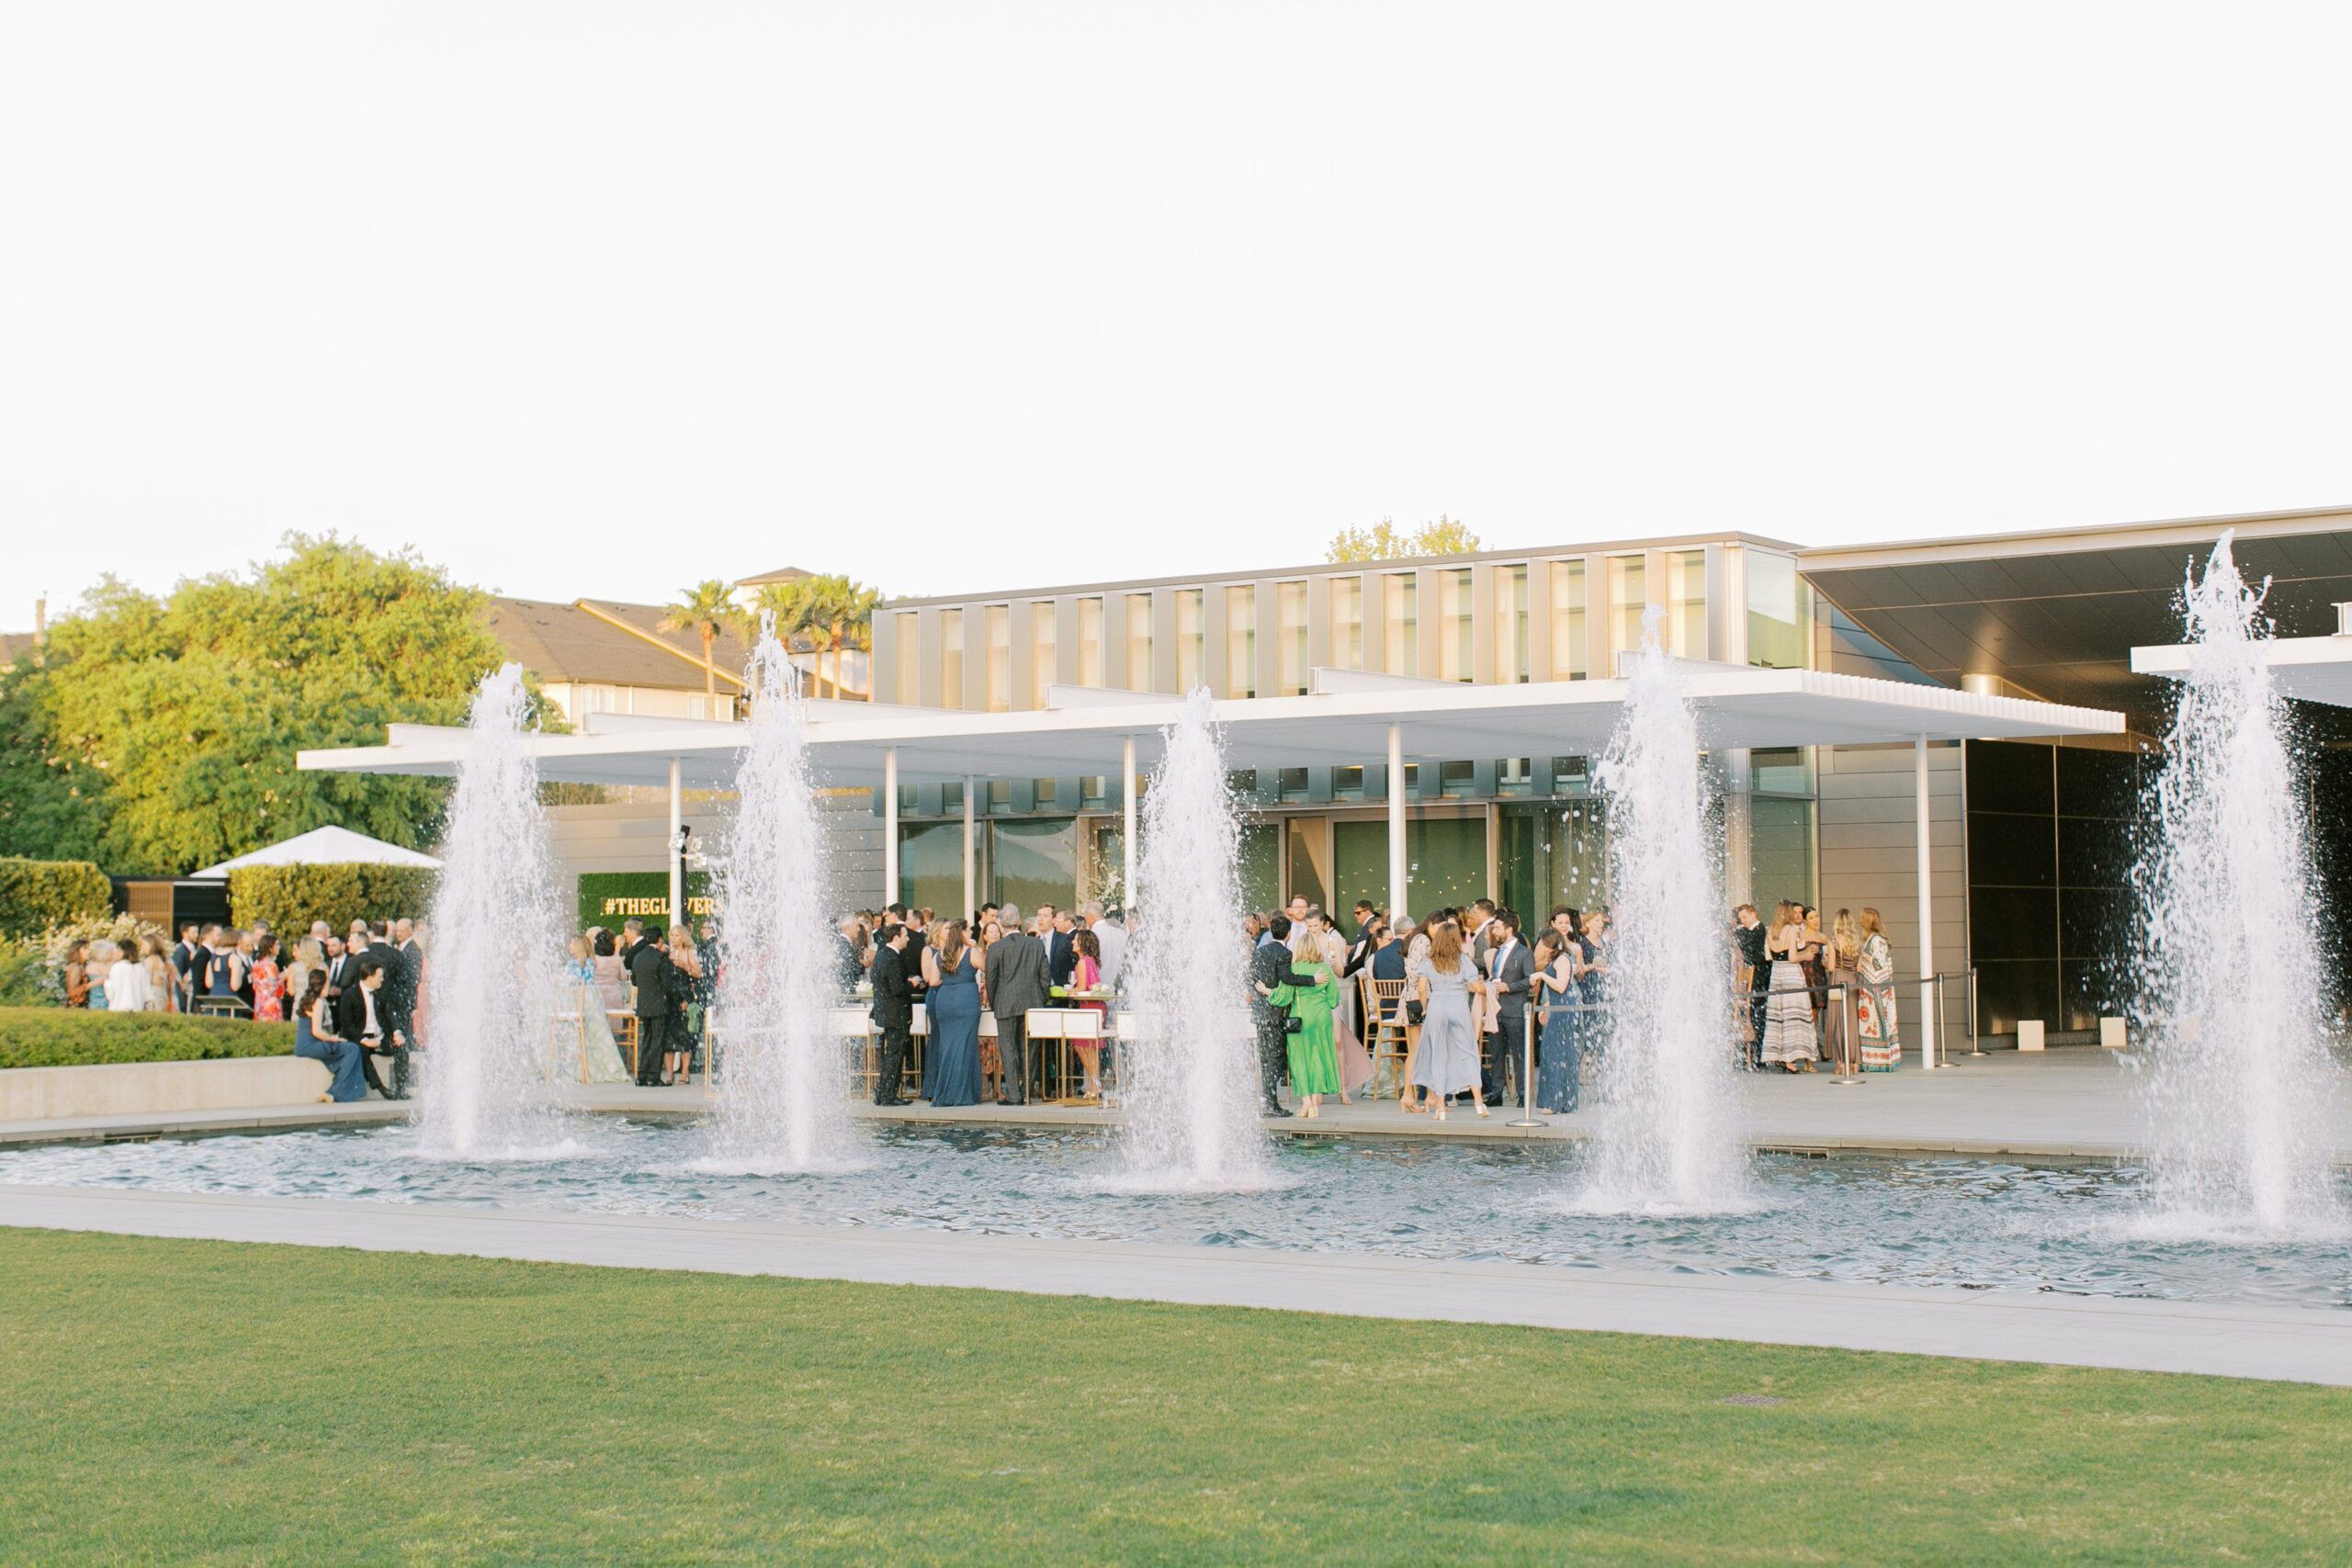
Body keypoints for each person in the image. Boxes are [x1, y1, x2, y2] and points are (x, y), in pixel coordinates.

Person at [1411, 920, 1484, 1120]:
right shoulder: (1463, 960)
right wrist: (1488, 989)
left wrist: (1425, 1008)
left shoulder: (1429, 961)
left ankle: (1441, 1106)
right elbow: (1476, 987)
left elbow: (1421, 989)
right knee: (1468, 1052)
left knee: (1438, 1056)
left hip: (1436, 1006)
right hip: (1458, 1006)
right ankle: (1479, 1102)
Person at [1249, 915, 1316, 1117]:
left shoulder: (1259, 952)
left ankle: (1267, 1101)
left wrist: (1260, 991)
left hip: (1261, 1013)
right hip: (1276, 1012)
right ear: (1288, 933)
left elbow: (1250, 977)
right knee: (1277, 1058)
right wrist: (1312, 979)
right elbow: (1288, 977)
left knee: (1265, 1058)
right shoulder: (1285, 953)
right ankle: (1270, 1103)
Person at [983, 904, 1048, 1105]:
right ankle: (1027, 1091)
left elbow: (991, 980)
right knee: (1029, 1048)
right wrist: (1042, 998)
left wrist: (995, 1003)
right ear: (1019, 922)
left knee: (1008, 1048)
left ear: (1001, 924)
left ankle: (1013, 1093)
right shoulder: (1036, 945)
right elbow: (1045, 975)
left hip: (1005, 1002)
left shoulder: (995, 948)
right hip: (1032, 1002)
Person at [1281, 931, 1343, 1119]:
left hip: (1300, 1017)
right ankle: (1315, 1103)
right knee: (1318, 1057)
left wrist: (1266, 991)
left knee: (1299, 1059)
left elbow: (1282, 996)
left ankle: (1307, 1102)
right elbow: (1334, 1000)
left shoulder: (1294, 968)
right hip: (1322, 1016)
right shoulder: (1325, 969)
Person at [1313, 919, 1375, 1102]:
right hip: (1313, 996)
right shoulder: (1306, 941)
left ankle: (1343, 1089)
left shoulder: (1332, 941)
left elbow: (1341, 972)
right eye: (1309, 926)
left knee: (1338, 1041)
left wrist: (1334, 965)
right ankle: (1319, 1088)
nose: (1312, 930)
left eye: (1315, 926)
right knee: (1318, 1043)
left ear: (1321, 924)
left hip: (1330, 995)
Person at [925, 921, 984, 1107]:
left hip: (945, 1000)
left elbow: (933, 981)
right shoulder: (971, 952)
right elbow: (989, 968)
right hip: (966, 999)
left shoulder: (940, 954)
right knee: (965, 1045)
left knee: (947, 1046)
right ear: (963, 933)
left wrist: (949, 978)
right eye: (969, 930)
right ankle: (963, 1094)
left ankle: (945, 1092)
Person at [560, 935, 632, 1083]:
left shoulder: (587, 963)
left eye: (572, 944)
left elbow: (581, 979)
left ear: (579, 946)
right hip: (584, 997)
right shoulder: (578, 963)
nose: (569, 946)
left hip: (585, 999)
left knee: (592, 1030)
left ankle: (587, 1066)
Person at [333, 957, 405, 1099]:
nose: (382, 979)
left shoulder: (382, 992)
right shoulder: (350, 994)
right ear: (369, 977)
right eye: (380, 976)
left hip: (379, 1037)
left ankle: (401, 1088)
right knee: (362, 1052)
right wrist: (364, 1039)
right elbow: (347, 1023)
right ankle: (381, 1088)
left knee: (401, 1048)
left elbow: (390, 1014)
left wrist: (397, 1032)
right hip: (359, 1038)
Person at [1481, 911, 1534, 1105]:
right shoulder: (1497, 952)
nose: (1494, 931)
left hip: (1514, 1007)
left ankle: (1522, 1094)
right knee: (1496, 1052)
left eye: (1497, 927)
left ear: (1508, 929)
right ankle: (1496, 1093)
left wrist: (1509, 987)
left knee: (1519, 1053)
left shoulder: (1524, 953)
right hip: (1496, 1008)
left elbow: (1530, 979)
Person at [1761, 900, 1819, 1071]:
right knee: (1793, 1016)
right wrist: (1806, 956)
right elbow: (1793, 957)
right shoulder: (1791, 930)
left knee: (1779, 1017)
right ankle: (1790, 1060)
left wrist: (1802, 953)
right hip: (1791, 975)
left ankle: (1779, 1056)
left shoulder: (1770, 930)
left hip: (1776, 974)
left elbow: (1770, 957)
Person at [294, 970, 368, 1102]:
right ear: (323, 984)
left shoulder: (309, 999)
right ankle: (335, 1092)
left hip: (304, 1045)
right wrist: (334, 1039)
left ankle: (336, 1090)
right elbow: (316, 1031)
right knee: (352, 1049)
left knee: (349, 1049)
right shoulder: (318, 1002)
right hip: (310, 1044)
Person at [1532, 927, 1585, 1111]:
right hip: (1558, 1008)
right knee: (1555, 1052)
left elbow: (1562, 987)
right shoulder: (1558, 959)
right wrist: (1547, 1007)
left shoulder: (1563, 959)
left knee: (1556, 1053)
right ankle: (1562, 1101)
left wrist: (1541, 975)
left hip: (1563, 1010)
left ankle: (1555, 1102)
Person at [628, 929, 684, 1087]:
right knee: (658, 1041)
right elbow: (667, 984)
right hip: (659, 1004)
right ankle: (653, 1075)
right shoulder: (660, 958)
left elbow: (634, 981)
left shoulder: (638, 957)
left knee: (646, 1039)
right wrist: (679, 999)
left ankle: (642, 1075)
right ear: (660, 940)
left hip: (644, 1003)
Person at [869, 922, 915, 1105]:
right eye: (905, 936)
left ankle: (883, 1093)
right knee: (894, 1056)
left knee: (890, 1054)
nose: (908, 939)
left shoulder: (881, 955)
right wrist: (912, 984)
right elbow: (897, 988)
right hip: (896, 1013)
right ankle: (888, 1094)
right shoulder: (892, 958)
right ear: (896, 937)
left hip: (887, 1012)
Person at [1063, 928, 1110, 1100]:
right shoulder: (1091, 960)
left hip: (1088, 1006)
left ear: (1082, 943)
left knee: (1081, 1045)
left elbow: (1082, 987)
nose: (1072, 942)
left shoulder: (1082, 962)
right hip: (1096, 1006)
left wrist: (1068, 991)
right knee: (1091, 1046)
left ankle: (1095, 1084)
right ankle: (1095, 1084)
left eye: (1076, 940)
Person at [1856, 908, 1903, 1070]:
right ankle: (1872, 1059)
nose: (1859, 920)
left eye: (1862, 918)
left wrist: (1862, 956)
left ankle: (1879, 1060)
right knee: (1869, 1022)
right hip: (1869, 990)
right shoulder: (1871, 939)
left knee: (1875, 1022)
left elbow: (1879, 964)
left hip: (1875, 991)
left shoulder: (1877, 940)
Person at [105, 941, 152, 1012]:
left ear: (122, 951)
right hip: (138, 1010)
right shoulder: (141, 968)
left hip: (118, 1010)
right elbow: (147, 995)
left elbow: (110, 995)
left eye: (117, 949)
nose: (114, 952)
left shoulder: (117, 967)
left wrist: (107, 981)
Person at [249, 935, 285, 1023]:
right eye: (277, 945)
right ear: (270, 948)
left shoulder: (257, 963)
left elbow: (255, 985)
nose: (279, 947)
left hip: (259, 1000)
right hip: (270, 1003)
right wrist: (283, 977)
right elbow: (275, 988)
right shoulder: (271, 965)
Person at [169, 922, 201, 1012]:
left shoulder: (194, 949)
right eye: (193, 932)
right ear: (184, 933)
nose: (196, 935)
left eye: (197, 932)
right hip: (183, 993)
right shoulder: (181, 951)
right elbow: (177, 972)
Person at [141, 934, 176, 1012]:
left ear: (151, 944)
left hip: (153, 996)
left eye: (143, 944)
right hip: (164, 995)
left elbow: (146, 982)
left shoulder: (149, 960)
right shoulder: (167, 961)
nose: (141, 947)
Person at [62, 942, 92, 1009]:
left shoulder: (80, 966)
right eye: (85, 949)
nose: (89, 951)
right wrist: (91, 985)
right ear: (78, 951)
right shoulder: (76, 967)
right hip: (77, 1007)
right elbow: (74, 991)